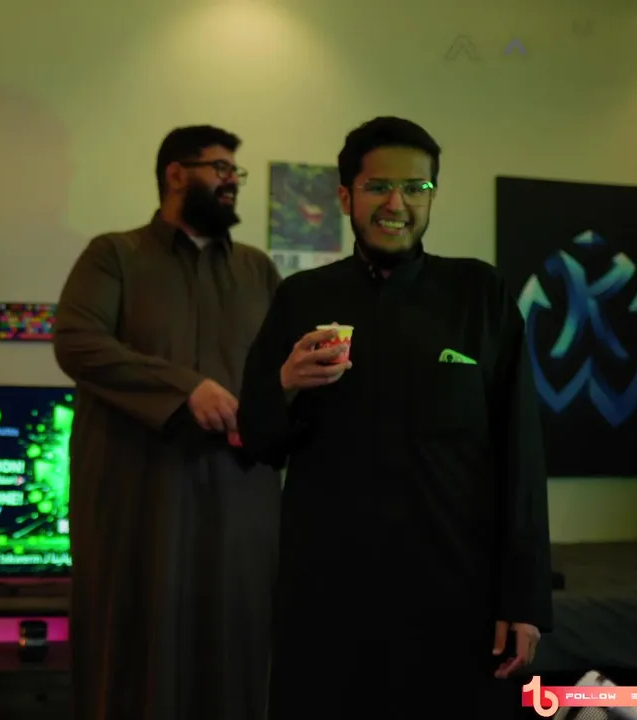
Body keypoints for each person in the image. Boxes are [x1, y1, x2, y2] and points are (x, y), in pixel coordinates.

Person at [237, 116, 553, 719]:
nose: (397, 204)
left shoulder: (479, 293)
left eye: (416, 188)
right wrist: (285, 385)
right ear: (345, 197)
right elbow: (257, 440)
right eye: (379, 187)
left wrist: (526, 598)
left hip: (456, 593)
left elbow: (521, 454)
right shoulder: (302, 297)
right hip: (328, 594)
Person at [53, 125, 283, 720]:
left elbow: (281, 373)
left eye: (236, 171)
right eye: (219, 168)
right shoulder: (115, 255)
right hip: (137, 498)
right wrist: (186, 390)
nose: (232, 181)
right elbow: (77, 342)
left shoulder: (259, 270)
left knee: (236, 651)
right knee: (132, 652)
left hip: (239, 499)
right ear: (175, 174)